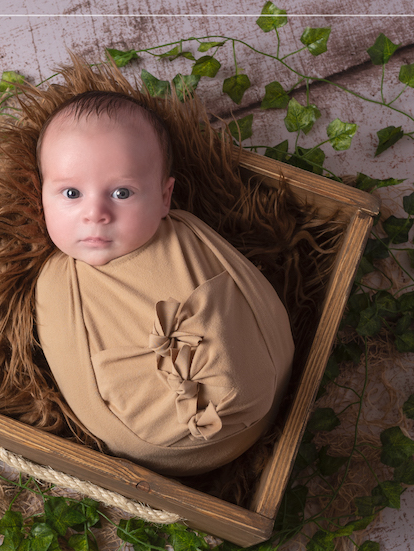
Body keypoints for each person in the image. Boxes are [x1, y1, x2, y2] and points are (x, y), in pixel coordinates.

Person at [34, 90, 294, 476]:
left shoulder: (185, 233)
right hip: (154, 452)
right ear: (41, 195)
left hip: (270, 398)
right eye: (71, 193)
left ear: (164, 196)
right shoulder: (59, 282)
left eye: (122, 192)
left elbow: (249, 292)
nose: (96, 213)